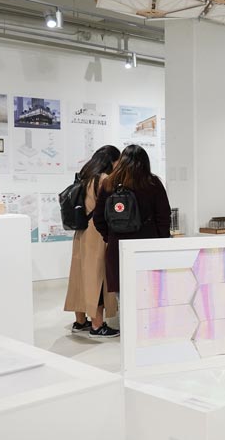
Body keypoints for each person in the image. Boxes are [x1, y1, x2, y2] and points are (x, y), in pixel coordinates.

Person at [94, 145, 171, 307]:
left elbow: (98, 218)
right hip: (148, 245)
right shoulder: (153, 183)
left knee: (124, 295)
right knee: (149, 293)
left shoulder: (109, 183)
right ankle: (148, 330)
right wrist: (161, 241)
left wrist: (110, 237)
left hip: (118, 247)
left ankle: (129, 329)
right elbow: (164, 216)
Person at [63, 145, 121, 339]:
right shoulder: (103, 179)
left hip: (81, 232)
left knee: (80, 275)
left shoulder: (84, 176)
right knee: (98, 276)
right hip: (97, 233)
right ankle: (97, 325)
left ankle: (80, 322)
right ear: (112, 161)